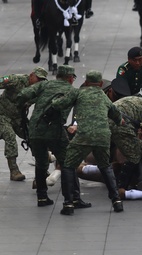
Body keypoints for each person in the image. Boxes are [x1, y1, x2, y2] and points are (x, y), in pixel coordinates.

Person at [51, 70, 124, 215]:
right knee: (105, 167)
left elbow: (59, 104)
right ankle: (116, 201)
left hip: (82, 137)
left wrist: (53, 100)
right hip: (102, 137)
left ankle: (68, 203)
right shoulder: (104, 97)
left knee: (68, 165)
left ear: (85, 82)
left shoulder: (78, 93)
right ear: (101, 84)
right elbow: (117, 117)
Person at [17, 65, 90, 210]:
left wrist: (23, 106)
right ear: (70, 78)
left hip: (35, 129)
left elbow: (22, 95)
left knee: (41, 162)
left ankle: (42, 197)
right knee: (68, 162)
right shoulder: (72, 91)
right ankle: (74, 198)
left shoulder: (45, 84)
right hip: (54, 130)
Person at [0, 67, 48, 181]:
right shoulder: (15, 80)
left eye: (42, 80)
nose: (39, 82)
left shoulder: (39, 89)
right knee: (10, 136)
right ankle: (14, 171)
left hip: (19, 118)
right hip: (2, 115)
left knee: (34, 138)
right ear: (31, 76)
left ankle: (42, 169)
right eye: (38, 78)